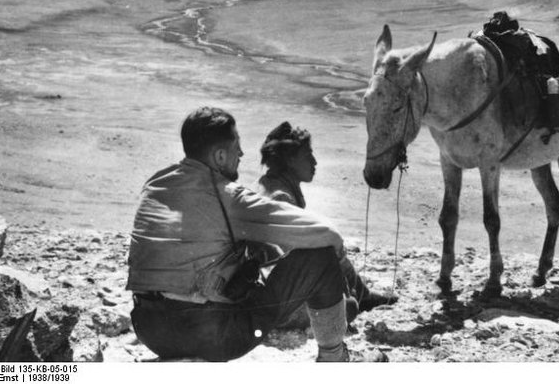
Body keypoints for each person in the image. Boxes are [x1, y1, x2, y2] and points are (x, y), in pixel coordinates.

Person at [126, 107, 386, 362]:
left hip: (150, 330)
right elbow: (328, 234)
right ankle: (334, 359)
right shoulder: (228, 197)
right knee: (320, 258)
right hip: (212, 335)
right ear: (219, 156)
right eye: (236, 145)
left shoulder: (155, 185)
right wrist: (339, 268)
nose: (241, 152)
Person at [255, 121, 399, 313]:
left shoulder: (268, 183)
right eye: (308, 155)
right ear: (289, 160)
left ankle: (361, 294)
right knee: (347, 306)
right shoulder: (282, 198)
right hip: (275, 295)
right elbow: (300, 257)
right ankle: (362, 296)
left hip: (268, 282)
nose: (314, 162)